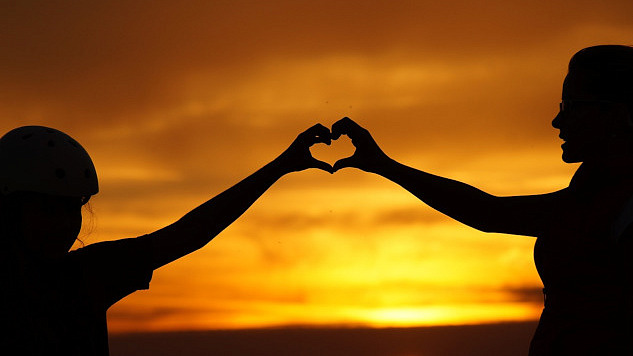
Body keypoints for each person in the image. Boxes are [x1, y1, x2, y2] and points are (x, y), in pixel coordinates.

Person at [330, 45, 633, 355]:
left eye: (570, 106)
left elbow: (490, 214)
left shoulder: (624, 206)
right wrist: (383, 165)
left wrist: (384, 165)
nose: (557, 121)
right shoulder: (591, 193)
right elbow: (490, 213)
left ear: (618, 114)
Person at [0, 124, 333, 355]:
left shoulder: (87, 274)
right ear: (9, 207)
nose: (64, 225)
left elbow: (189, 234)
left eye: (73, 209)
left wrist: (282, 165)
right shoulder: (84, 277)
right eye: (47, 209)